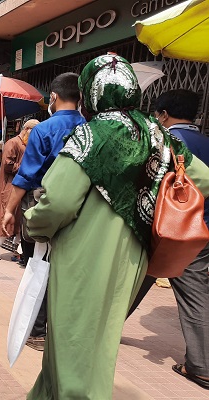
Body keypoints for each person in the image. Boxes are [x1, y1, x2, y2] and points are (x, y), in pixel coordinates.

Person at [23, 54, 209, 399]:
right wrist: (149, 196)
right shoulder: (159, 135)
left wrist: (32, 223)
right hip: (135, 254)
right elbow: (202, 179)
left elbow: (59, 202)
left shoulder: (91, 135)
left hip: (83, 253)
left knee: (73, 339)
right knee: (99, 337)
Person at [125, 89, 209, 389]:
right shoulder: (205, 141)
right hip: (198, 232)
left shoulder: (172, 142)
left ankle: (98, 331)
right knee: (195, 296)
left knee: (134, 281)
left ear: (162, 114)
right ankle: (201, 365)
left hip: (166, 228)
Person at [1, 72, 84, 351]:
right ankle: (60, 330)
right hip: (80, 210)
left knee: (38, 265)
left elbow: (26, 176)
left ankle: (36, 331)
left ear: (54, 97)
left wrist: (9, 211)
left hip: (43, 207)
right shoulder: (89, 129)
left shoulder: (43, 130)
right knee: (66, 268)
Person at [0, 119, 39, 261]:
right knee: (5, 218)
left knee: (20, 219)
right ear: (26, 129)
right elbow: (8, 164)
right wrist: (26, 168)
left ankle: (18, 249)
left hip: (22, 187)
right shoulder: (13, 143)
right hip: (9, 185)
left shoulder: (28, 144)